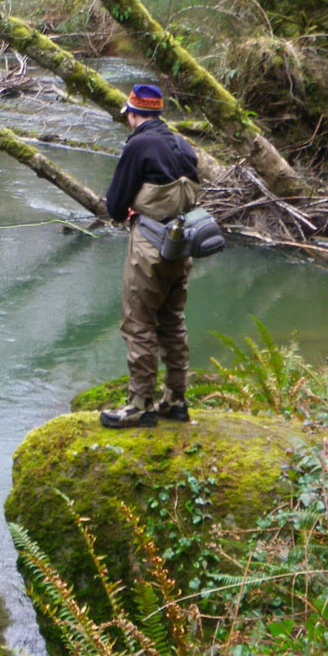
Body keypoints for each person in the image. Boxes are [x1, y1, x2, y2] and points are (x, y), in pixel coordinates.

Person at [99, 84, 200, 428]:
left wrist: (121, 212)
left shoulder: (139, 143)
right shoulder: (182, 144)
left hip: (148, 246)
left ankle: (140, 404)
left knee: (139, 321)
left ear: (132, 114)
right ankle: (176, 399)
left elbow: (115, 204)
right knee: (172, 321)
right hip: (181, 244)